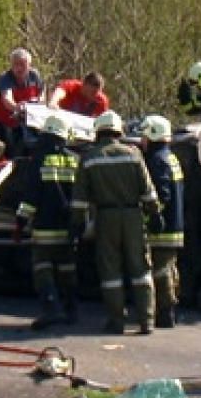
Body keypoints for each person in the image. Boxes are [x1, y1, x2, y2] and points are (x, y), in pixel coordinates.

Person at [71, 110, 160, 335]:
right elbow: (148, 192)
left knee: (111, 271)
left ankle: (116, 321)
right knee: (140, 269)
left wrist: (77, 224)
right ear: (119, 131)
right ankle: (146, 320)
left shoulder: (89, 158)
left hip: (106, 217)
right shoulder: (133, 154)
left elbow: (80, 199)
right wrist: (155, 214)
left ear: (98, 132)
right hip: (133, 216)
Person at [16, 115, 80, 330]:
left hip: (45, 226)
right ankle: (71, 309)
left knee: (43, 266)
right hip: (69, 226)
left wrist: (20, 221)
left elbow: (31, 194)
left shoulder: (39, 159)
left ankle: (51, 309)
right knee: (67, 267)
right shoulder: (75, 159)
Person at [140, 114, 184, 328]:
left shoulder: (157, 160)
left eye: (144, 136)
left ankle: (166, 312)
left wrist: (152, 217)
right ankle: (172, 308)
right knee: (169, 268)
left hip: (163, 228)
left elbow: (162, 195)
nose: (142, 141)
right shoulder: (170, 157)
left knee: (161, 270)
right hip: (175, 224)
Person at [0, 47, 45, 154]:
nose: (19, 68)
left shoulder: (34, 76)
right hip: (7, 123)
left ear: (29, 65)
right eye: (15, 64)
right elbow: (7, 99)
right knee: (11, 153)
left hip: (29, 122)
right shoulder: (5, 78)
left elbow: (42, 94)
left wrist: (37, 103)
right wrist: (18, 107)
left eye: (22, 64)